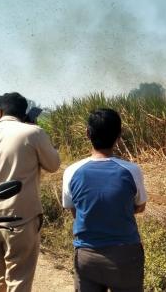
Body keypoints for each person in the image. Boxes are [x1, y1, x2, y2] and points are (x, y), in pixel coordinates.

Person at [62, 108, 147, 292]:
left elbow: (74, 211)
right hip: (125, 256)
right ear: (119, 135)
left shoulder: (72, 171)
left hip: (87, 256)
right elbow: (140, 206)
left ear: (87, 133)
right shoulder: (131, 170)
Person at [0, 92, 61, 292]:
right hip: (20, 219)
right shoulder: (33, 133)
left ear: (0, 111)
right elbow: (54, 165)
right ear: (24, 114)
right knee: (18, 279)